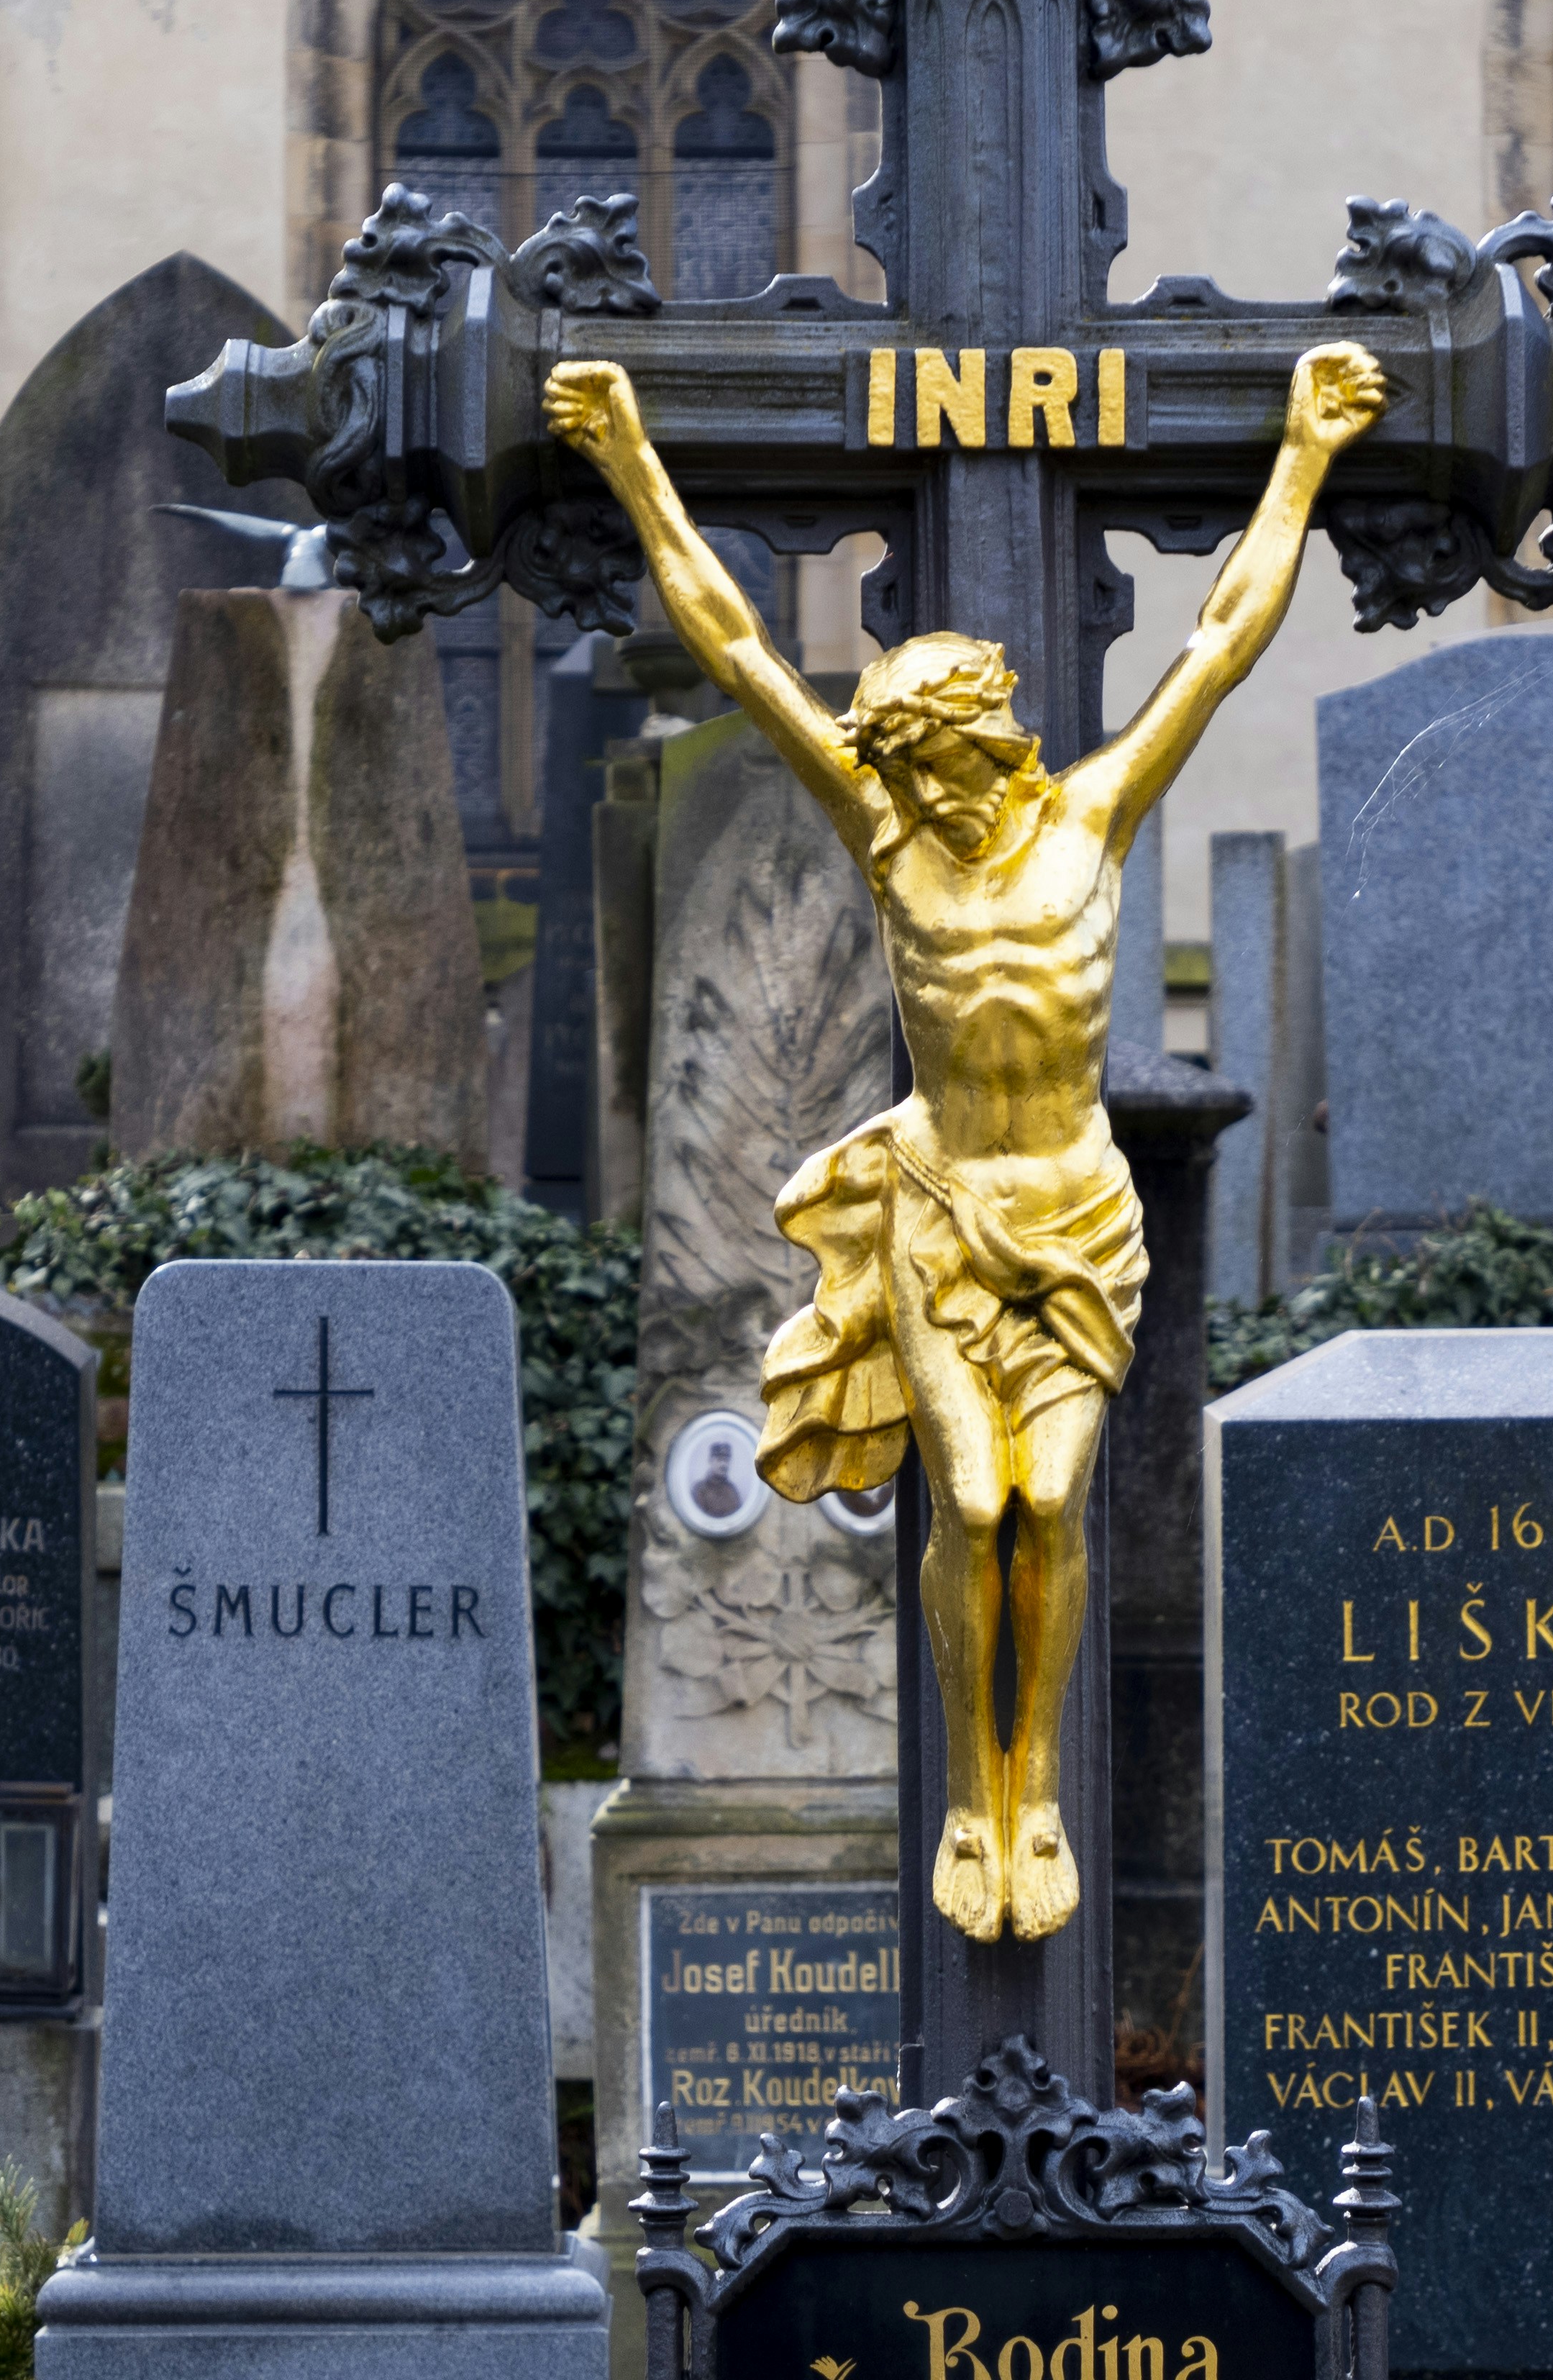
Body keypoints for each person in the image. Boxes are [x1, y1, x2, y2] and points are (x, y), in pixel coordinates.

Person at [539, 341, 1387, 1943]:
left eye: (918, 752)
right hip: (936, 1204)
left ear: (974, 739)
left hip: (1070, 1209)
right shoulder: (886, 839)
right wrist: (629, 454)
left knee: (1050, 1506)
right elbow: (732, 646)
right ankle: (969, 1799)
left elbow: (1222, 635)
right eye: (893, 761)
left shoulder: (1092, 817)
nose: (898, 773)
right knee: (973, 1508)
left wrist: (1308, 451)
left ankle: (1032, 1778)